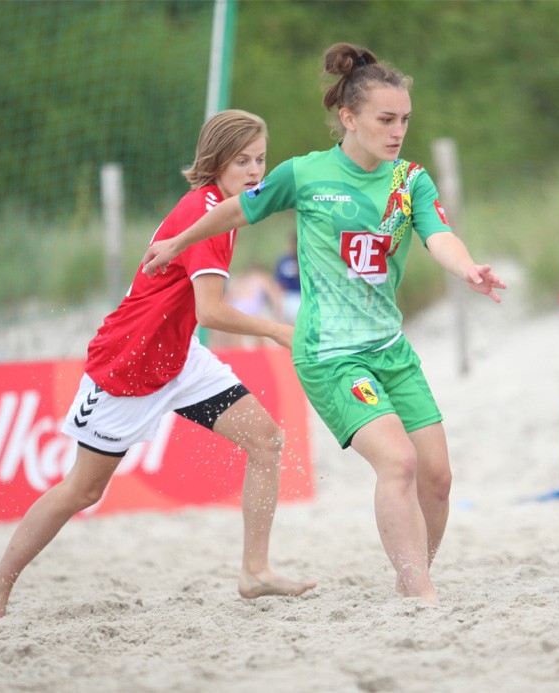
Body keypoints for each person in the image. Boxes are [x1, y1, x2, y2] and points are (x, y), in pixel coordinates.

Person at [141, 43, 505, 604]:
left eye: (405, 119)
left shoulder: (410, 180)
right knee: (399, 461)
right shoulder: (305, 174)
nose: (398, 130)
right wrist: (179, 241)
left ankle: (414, 573)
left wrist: (467, 269)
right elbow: (237, 208)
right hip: (329, 354)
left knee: (437, 477)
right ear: (349, 118)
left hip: (390, 348)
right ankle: (419, 591)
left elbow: (439, 236)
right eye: (386, 119)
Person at [0, 110, 316, 622]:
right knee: (83, 489)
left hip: (178, 357)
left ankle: (255, 571)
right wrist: (275, 330)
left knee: (266, 441)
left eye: (260, 159)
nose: (254, 170)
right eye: (242, 160)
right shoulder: (206, 215)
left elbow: (194, 318)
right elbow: (211, 312)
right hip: (128, 366)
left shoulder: (223, 209)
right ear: (215, 161)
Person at [212, 263, 284, 348]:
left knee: (239, 331)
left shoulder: (242, 281)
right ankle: (253, 352)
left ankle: (241, 352)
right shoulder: (256, 279)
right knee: (255, 330)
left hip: (241, 310)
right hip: (246, 311)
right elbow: (273, 294)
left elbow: (228, 298)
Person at [274, 232, 302, 323]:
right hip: (300, 298)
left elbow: (279, 286)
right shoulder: (307, 260)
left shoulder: (284, 260)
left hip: (289, 299)